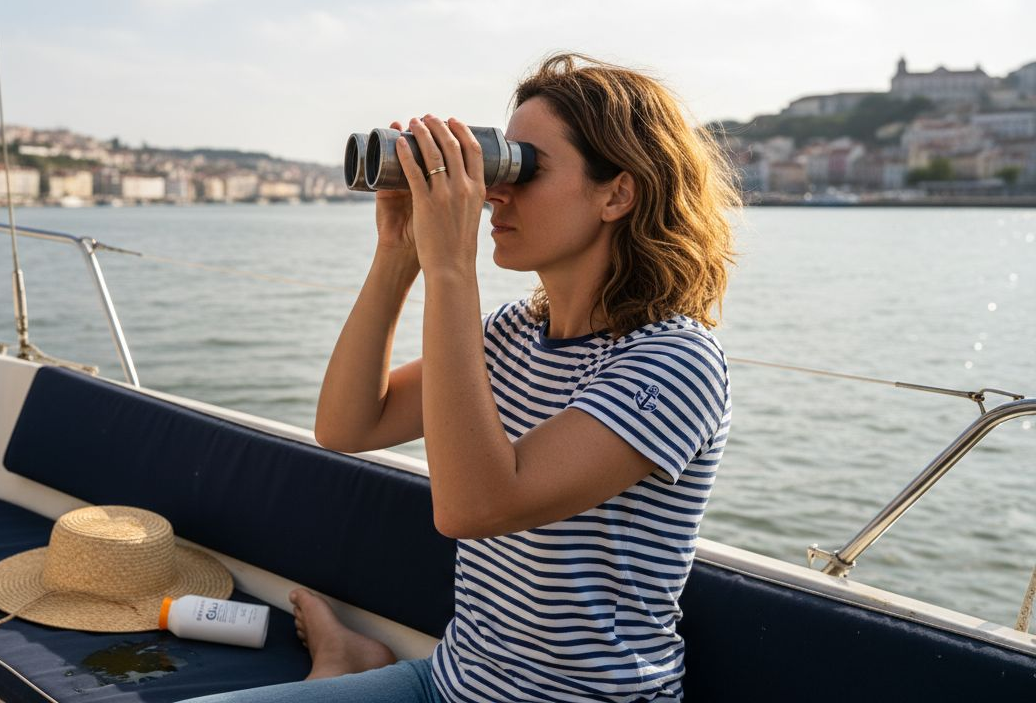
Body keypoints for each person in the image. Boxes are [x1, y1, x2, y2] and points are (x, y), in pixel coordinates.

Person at [189, 53, 739, 702]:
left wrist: (452, 264)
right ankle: (345, 664)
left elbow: (472, 508)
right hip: (452, 683)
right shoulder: (510, 334)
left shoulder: (674, 363)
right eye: (498, 162)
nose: (494, 191)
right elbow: (346, 425)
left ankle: (343, 665)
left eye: (523, 169)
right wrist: (399, 255)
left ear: (617, 193)